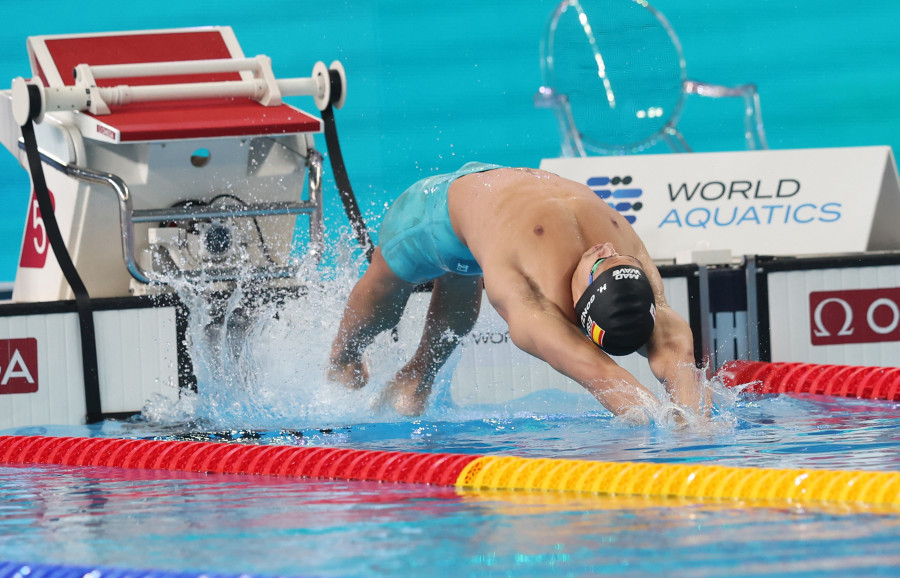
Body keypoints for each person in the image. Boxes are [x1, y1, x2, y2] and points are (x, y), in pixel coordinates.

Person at [329, 162, 706, 422]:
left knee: (457, 285)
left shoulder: (533, 305)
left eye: (598, 264)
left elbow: (604, 378)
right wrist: (694, 422)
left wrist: (677, 433)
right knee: (388, 298)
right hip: (456, 200)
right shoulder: (629, 254)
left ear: (578, 308)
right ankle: (340, 360)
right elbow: (676, 350)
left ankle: (417, 377)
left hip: (449, 219)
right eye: (617, 260)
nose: (604, 249)